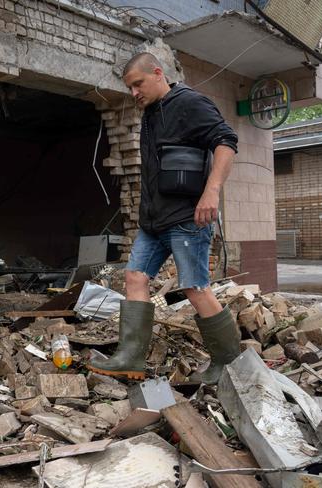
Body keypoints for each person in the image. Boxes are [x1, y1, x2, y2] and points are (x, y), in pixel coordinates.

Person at [87, 52, 240, 385]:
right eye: (129, 88)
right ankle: (130, 358)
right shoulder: (150, 114)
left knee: (195, 288)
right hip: (153, 223)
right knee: (135, 278)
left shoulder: (190, 104)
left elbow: (226, 142)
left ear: (158, 73)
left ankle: (229, 365)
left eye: (138, 84)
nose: (134, 93)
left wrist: (211, 192)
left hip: (187, 217)